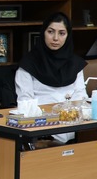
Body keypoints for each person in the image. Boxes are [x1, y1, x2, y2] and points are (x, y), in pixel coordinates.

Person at [15, 12, 88, 143]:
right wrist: (49, 118)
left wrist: (71, 116)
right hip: (42, 127)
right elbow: (25, 102)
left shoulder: (75, 64)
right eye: (50, 32)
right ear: (43, 32)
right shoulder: (28, 64)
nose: (55, 38)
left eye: (61, 33)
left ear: (68, 36)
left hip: (74, 124)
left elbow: (80, 96)